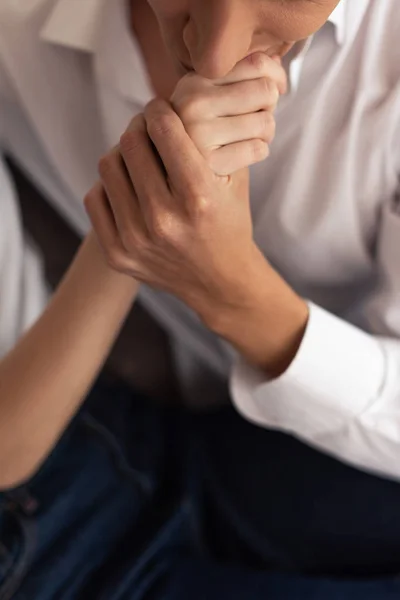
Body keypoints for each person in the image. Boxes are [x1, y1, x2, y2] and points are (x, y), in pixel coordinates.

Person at [1, 0, 400, 595]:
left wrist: (237, 296)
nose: (214, 55)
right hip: (99, 459)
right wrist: (145, 208)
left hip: (282, 446)